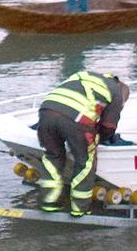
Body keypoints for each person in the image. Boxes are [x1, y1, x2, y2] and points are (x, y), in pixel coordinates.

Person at [37, 71, 129, 217]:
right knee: (85, 161)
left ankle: (49, 202)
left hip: (46, 111)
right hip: (77, 120)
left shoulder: (84, 75)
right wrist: (100, 137)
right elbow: (108, 126)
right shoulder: (117, 92)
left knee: (52, 156)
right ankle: (80, 208)